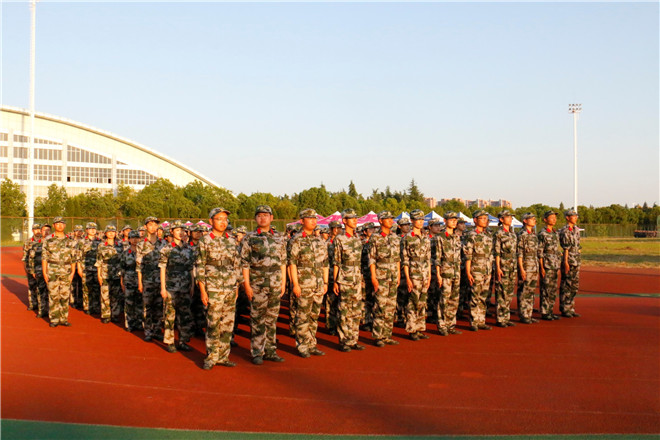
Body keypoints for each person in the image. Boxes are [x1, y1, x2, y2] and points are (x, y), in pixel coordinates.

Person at [240, 205, 287, 365]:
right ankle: (257, 352)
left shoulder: (279, 237)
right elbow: (244, 263)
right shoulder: (249, 238)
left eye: (266, 215)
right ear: (255, 218)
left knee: (272, 319)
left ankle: (271, 351)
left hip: (275, 282)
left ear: (271, 218)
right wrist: (247, 285)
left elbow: (283, 261)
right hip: (257, 283)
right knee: (257, 319)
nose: (262, 218)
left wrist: (283, 282)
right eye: (259, 215)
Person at [197, 208, 241, 369]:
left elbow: (236, 265)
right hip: (213, 287)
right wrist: (203, 290)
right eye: (219, 219)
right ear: (211, 221)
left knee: (228, 323)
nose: (223, 222)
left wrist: (237, 287)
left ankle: (223, 356)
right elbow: (200, 266)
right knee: (213, 323)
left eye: (225, 219)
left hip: (230, 286)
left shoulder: (231, 241)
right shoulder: (205, 240)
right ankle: (212, 356)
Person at [288, 209, 329, 358]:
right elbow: (292, 263)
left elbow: (325, 263)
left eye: (314, 218)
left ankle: (312, 344)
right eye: (309, 218)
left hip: (318, 284)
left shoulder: (319, 240)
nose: (313, 221)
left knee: (314, 316)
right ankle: (302, 345)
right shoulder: (296, 240)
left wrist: (325, 282)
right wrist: (295, 284)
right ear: (302, 221)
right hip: (304, 284)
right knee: (303, 316)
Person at [159, 220, 196, 353]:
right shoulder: (166, 249)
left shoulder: (188, 249)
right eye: (177, 230)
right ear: (171, 232)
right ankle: (169, 341)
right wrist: (163, 288)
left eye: (183, 230)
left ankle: (182, 341)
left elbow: (191, 268)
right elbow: (162, 268)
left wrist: (192, 285)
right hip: (171, 286)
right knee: (170, 314)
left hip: (185, 286)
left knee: (184, 314)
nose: (180, 233)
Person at [332, 209, 365, 352]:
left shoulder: (357, 238)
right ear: (344, 221)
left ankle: (353, 339)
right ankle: (344, 340)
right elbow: (336, 261)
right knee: (345, 310)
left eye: (355, 218)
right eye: (351, 218)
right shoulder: (339, 239)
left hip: (357, 277)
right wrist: (335, 281)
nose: (355, 220)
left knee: (356, 310)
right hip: (345, 278)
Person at [368, 211, 401, 347]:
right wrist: (373, 277)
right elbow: (371, 259)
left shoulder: (395, 237)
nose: (390, 220)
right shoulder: (375, 237)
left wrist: (398, 274)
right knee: (380, 306)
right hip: (381, 276)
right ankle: (378, 336)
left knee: (391, 307)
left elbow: (397, 258)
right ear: (380, 221)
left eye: (391, 218)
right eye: (387, 218)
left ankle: (387, 335)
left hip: (393, 275)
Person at [400, 209, 431, 340]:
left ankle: (420, 328)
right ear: (412, 221)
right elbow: (405, 260)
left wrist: (429, 276)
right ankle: (412, 329)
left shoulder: (426, 237)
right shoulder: (407, 238)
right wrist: (408, 278)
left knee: (422, 302)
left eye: (422, 219)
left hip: (424, 273)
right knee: (413, 301)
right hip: (413, 273)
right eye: (418, 219)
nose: (420, 222)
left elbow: (428, 258)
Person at [42, 217, 77, 327]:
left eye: (62, 223)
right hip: (52, 270)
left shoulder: (70, 240)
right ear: (54, 225)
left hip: (66, 270)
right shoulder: (48, 239)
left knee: (65, 295)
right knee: (53, 295)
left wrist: (72, 272)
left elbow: (73, 258)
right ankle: (54, 319)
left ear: (65, 225)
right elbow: (44, 257)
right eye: (57, 223)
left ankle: (63, 318)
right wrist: (44, 272)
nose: (60, 225)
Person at [137, 216, 166, 342]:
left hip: (160, 279)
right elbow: (139, 265)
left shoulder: (163, 243)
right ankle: (148, 331)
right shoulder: (141, 244)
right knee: (147, 307)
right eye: (150, 224)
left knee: (159, 307)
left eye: (155, 225)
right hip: (147, 279)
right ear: (145, 227)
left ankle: (157, 330)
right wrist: (140, 282)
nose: (153, 227)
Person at [464, 210, 494, 331]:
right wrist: (468, 272)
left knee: (483, 296)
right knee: (475, 295)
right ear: (475, 220)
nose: (485, 221)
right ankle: (474, 321)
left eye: (486, 218)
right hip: (476, 269)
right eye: (482, 218)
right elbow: (468, 255)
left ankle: (481, 320)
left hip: (487, 269)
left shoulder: (488, 235)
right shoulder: (471, 235)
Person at [435, 211, 463, 335]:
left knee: (454, 299)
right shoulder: (440, 237)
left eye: (455, 220)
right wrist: (438, 274)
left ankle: (451, 324)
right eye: (451, 220)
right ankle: (442, 325)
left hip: (456, 272)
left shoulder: (457, 237)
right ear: (445, 221)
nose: (454, 222)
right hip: (445, 272)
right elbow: (437, 258)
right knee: (444, 299)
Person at [492, 210, 518, 327]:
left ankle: (506, 317)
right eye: (508, 217)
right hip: (503, 265)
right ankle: (500, 318)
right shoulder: (499, 234)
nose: (510, 219)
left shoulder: (512, 234)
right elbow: (497, 252)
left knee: (509, 293)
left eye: (511, 217)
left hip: (512, 266)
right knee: (501, 292)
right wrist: (498, 267)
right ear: (501, 219)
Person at [96, 225, 124, 324]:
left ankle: (115, 314)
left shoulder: (120, 245)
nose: (111, 233)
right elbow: (99, 261)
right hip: (105, 272)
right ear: (105, 233)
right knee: (105, 295)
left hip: (117, 273)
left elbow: (122, 260)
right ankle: (106, 315)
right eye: (109, 231)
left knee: (116, 295)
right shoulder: (101, 245)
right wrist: (99, 275)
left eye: (113, 231)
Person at [538, 210, 562, 320]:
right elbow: (540, 252)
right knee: (546, 289)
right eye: (551, 218)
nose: (554, 219)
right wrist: (541, 267)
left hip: (554, 265)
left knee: (552, 289)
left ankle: (550, 311)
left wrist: (558, 265)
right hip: (546, 265)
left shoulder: (555, 233)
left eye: (555, 218)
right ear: (545, 220)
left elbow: (556, 250)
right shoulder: (542, 234)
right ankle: (545, 311)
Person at [517, 213, 540, 324]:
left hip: (534, 266)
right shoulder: (522, 234)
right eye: (531, 219)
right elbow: (519, 253)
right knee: (524, 290)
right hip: (526, 266)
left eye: (535, 219)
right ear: (525, 221)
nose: (534, 220)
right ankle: (523, 314)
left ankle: (529, 314)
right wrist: (521, 268)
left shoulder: (533, 235)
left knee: (531, 291)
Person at [559, 209, 582, 318]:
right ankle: (565, 308)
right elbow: (566, 248)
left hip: (576, 260)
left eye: (576, 216)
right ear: (567, 218)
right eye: (573, 216)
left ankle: (571, 307)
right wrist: (566, 262)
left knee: (574, 286)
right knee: (567, 285)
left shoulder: (576, 230)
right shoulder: (565, 231)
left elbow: (578, 246)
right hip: (569, 260)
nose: (575, 217)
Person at [120, 230, 143, 332]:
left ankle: (139, 323)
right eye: (132, 238)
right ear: (129, 239)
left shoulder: (142, 253)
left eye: (137, 238)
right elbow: (122, 268)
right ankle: (129, 323)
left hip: (140, 280)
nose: (135, 240)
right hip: (129, 280)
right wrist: (122, 282)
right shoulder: (125, 253)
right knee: (129, 302)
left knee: (139, 302)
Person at [324, 220, 342, 336]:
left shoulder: (343, 241)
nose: (336, 230)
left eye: (338, 228)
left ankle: (340, 325)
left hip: (342, 275)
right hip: (330, 275)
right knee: (331, 301)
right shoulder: (326, 244)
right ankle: (331, 325)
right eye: (333, 228)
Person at [79, 222, 101, 315]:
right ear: (86, 230)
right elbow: (78, 256)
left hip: (97, 269)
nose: (92, 230)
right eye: (90, 228)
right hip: (86, 268)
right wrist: (79, 269)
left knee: (97, 288)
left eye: (94, 229)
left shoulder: (100, 242)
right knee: (86, 289)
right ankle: (87, 306)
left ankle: (96, 306)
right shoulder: (82, 242)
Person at [396, 217, 412, 326]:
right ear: (399, 227)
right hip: (400, 270)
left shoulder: (411, 238)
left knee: (409, 295)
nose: (407, 227)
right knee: (401, 295)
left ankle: (408, 317)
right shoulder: (397, 239)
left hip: (410, 269)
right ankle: (400, 317)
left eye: (408, 225)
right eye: (404, 225)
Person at [22, 223, 42, 312]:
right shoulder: (28, 242)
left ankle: (42, 306)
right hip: (31, 267)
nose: (38, 231)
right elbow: (25, 257)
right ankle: (33, 304)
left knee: (41, 287)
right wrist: (26, 269)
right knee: (32, 286)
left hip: (41, 268)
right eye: (36, 229)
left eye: (39, 229)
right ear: (32, 230)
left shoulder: (44, 241)